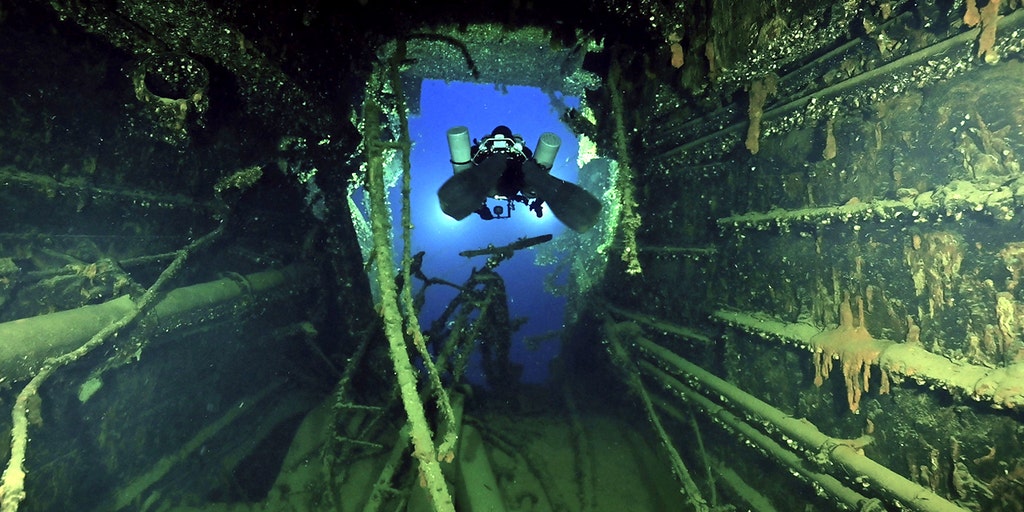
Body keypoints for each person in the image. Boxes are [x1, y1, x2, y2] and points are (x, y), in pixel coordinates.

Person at [437, 125, 602, 232]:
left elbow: (465, 183)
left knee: (523, 178)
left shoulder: (479, 154)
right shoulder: (523, 155)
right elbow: (535, 179)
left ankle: (513, 174)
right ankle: (581, 213)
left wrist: (480, 209)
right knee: (532, 179)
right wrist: (537, 200)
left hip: (488, 179)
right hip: (515, 178)